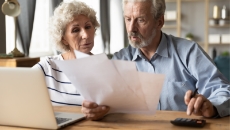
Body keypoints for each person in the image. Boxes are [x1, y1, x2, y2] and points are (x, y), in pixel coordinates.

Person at [82, 0, 230, 120]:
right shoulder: (120, 59)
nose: (131, 28)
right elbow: (105, 99)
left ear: (159, 22)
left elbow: (221, 89)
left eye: (141, 20)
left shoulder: (188, 52)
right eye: (128, 19)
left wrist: (212, 106)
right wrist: (96, 108)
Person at [33, 1, 110, 116]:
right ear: (63, 38)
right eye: (75, 30)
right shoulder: (48, 67)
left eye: (88, 27)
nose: (86, 35)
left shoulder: (106, 67)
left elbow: (117, 108)